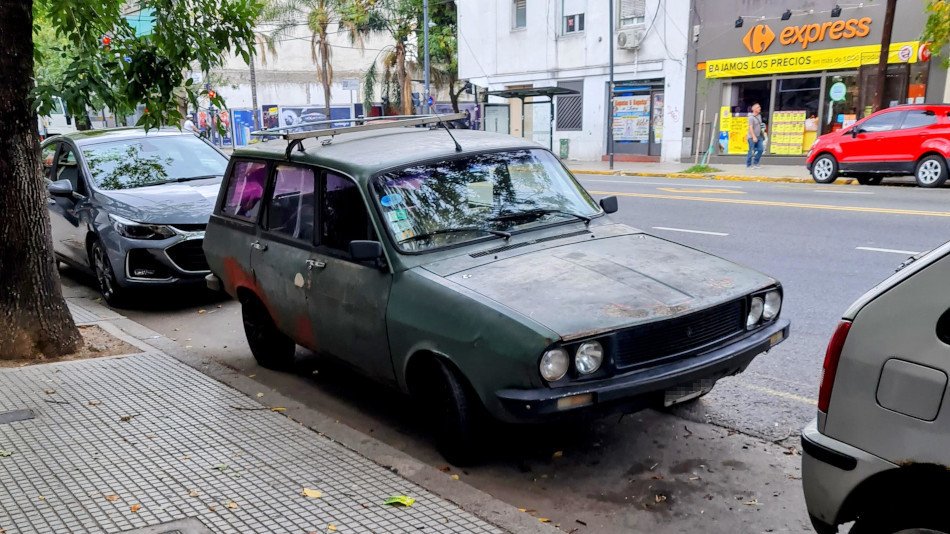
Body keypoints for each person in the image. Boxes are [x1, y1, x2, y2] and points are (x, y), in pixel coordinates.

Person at [746, 103, 764, 168]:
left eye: (759, 107)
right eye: (758, 107)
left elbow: (760, 125)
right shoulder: (751, 117)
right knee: (751, 150)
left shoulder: (759, 116)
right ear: (754, 109)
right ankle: (749, 164)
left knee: (761, 149)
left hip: (759, 136)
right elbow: (750, 127)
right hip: (751, 137)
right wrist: (753, 136)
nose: (760, 108)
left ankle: (756, 163)